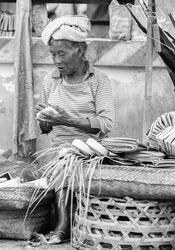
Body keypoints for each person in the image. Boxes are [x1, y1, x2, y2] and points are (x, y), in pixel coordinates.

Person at [34, 15, 115, 244]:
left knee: (66, 162)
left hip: (93, 151)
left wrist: (68, 119)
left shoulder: (99, 80)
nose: (56, 60)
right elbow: (46, 128)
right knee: (62, 161)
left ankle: (62, 225)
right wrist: (45, 117)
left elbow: (106, 123)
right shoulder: (50, 80)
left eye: (62, 54)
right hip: (60, 151)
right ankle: (64, 223)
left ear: (80, 51)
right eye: (52, 55)